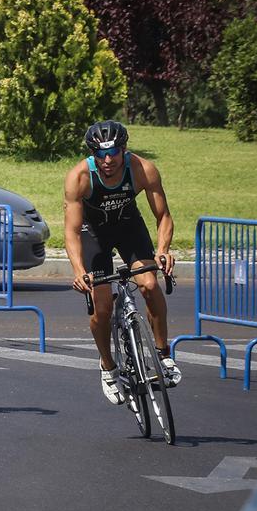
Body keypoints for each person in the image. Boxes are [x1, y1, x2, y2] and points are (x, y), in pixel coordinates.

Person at [64, 120, 180, 405]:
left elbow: (163, 215)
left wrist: (162, 250)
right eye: (99, 154)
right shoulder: (79, 177)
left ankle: (163, 355)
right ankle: (107, 367)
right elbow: (71, 231)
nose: (107, 160)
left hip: (129, 227)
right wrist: (79, 271)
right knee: (101, 306)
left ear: (124, 149)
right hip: (94, 235)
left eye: (113, 152)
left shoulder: (142, 169)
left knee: (150, 284)